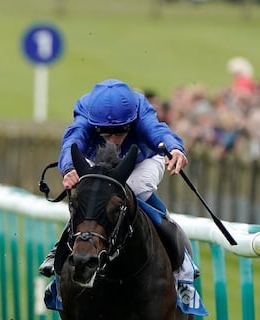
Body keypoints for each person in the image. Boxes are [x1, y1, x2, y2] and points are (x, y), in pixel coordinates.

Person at [39, 79, 200, 306]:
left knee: (133, 190)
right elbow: (71, 141)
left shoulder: (140, 109)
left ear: (131, 121)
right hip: (99, 160)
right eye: (106, 132)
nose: (113, 140)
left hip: (141, 159)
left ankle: (181, 259)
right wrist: (69, 169)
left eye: (121, 131)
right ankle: (61, 253)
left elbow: (158, 131)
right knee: (90, 195)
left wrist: (175, 148)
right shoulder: (86, 110)